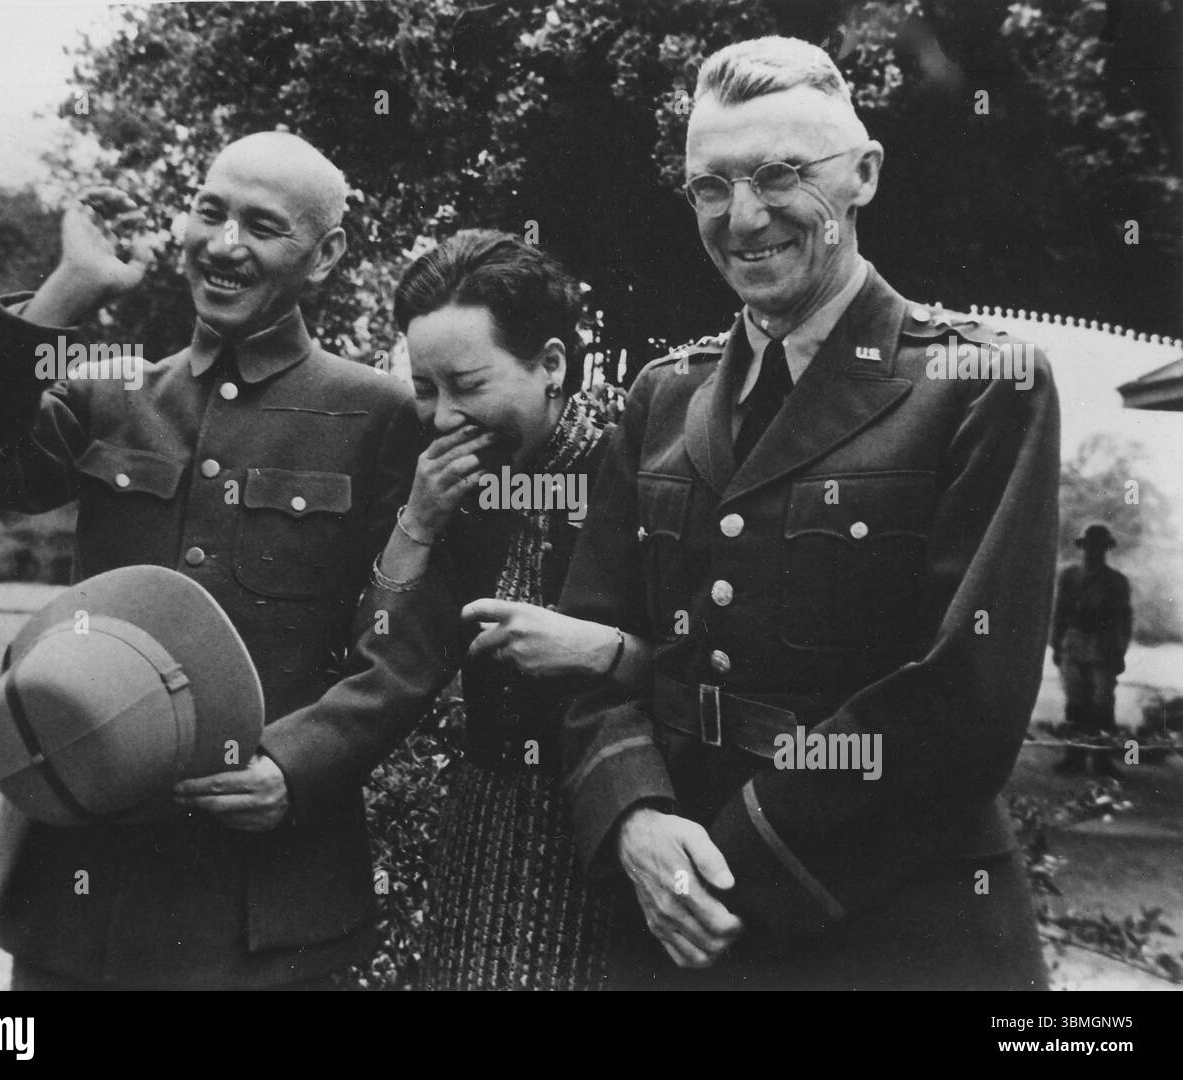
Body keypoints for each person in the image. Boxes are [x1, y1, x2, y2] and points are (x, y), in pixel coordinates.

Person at [555, 36, 1060, 989]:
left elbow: (966, 695)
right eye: (712, 186)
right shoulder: (664, 397)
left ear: (863, 174)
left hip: (894, 928)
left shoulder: (981, 383)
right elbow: (589, 643)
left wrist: (723, 860)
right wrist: (635, 815)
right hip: (677, 927)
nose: (744, 218)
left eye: (780, 173)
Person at [0, 131, 423, 989]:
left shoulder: (380, 415)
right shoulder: (110, 390)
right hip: (82, 889)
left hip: (261, 909)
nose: (223, 244)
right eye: (209, 211)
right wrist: (70, 291)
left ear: (324, 256)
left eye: (262, 225)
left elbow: (407, 635)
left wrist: (301, 762)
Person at [274, 230, 651, 988]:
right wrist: (417, 522)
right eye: (424, 387)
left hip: (623, 825)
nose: (443, 417)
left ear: (552, 365)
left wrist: (610, 651)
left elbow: (710, 664)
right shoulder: (456, 488)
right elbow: (393, 654)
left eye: (469, 385)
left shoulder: (636, 465)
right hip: (490, 831)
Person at [1051, 523, 1133, 776]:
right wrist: (1056, 644)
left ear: (1106, 549)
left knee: (1103, 704)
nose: (1092, 551)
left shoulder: (1116, 581)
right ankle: (1073, 756)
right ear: (1082, 547)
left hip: (1104, 643)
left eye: (1098, 546)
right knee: (1075, 703)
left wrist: (1121, 650)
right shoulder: (1069, 576)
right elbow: (1060, 613)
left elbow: (1124, 619)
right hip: (1074, 642)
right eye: (1088, 545)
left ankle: (1102, 759)